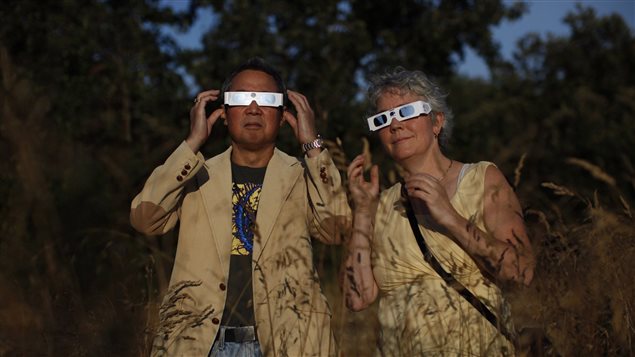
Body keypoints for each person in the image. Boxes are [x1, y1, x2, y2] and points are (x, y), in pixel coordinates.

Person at [131, 57, 350, 356]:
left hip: (289, 341)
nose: (254, 108)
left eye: (267, 99)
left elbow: (337, 229)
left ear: (283, 113)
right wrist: (191, 144)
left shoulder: (302, 175)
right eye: (241, 98)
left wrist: (313, 146)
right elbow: (145, 219)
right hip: (198, 342)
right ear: (223, 112)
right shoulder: (194, 174)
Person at [342, 67, 535, 356]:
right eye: (383, 119)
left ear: (437, 122)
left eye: (407, 112)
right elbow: (356, 299)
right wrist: (362, 214)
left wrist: (451, 218)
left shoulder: (482, 178)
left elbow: (521, 272)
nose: (395, 125)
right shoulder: (380, 205)